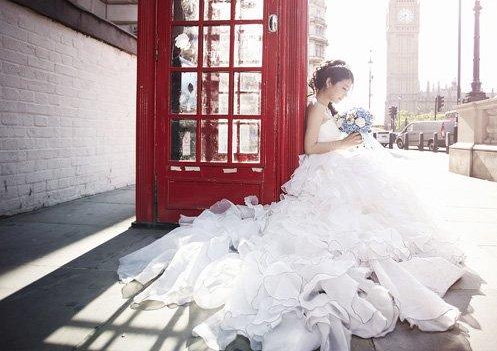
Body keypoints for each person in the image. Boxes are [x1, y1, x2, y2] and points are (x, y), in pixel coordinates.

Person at [118, 60, 465, 351]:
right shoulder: (316, 108)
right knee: (344, 218)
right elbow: (311, 147)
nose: (345, 94)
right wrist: (344, 141)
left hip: (334, 168)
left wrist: (347, 139)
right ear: (328, 83)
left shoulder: (327, 107)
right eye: (343, 87)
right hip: (321, 170)